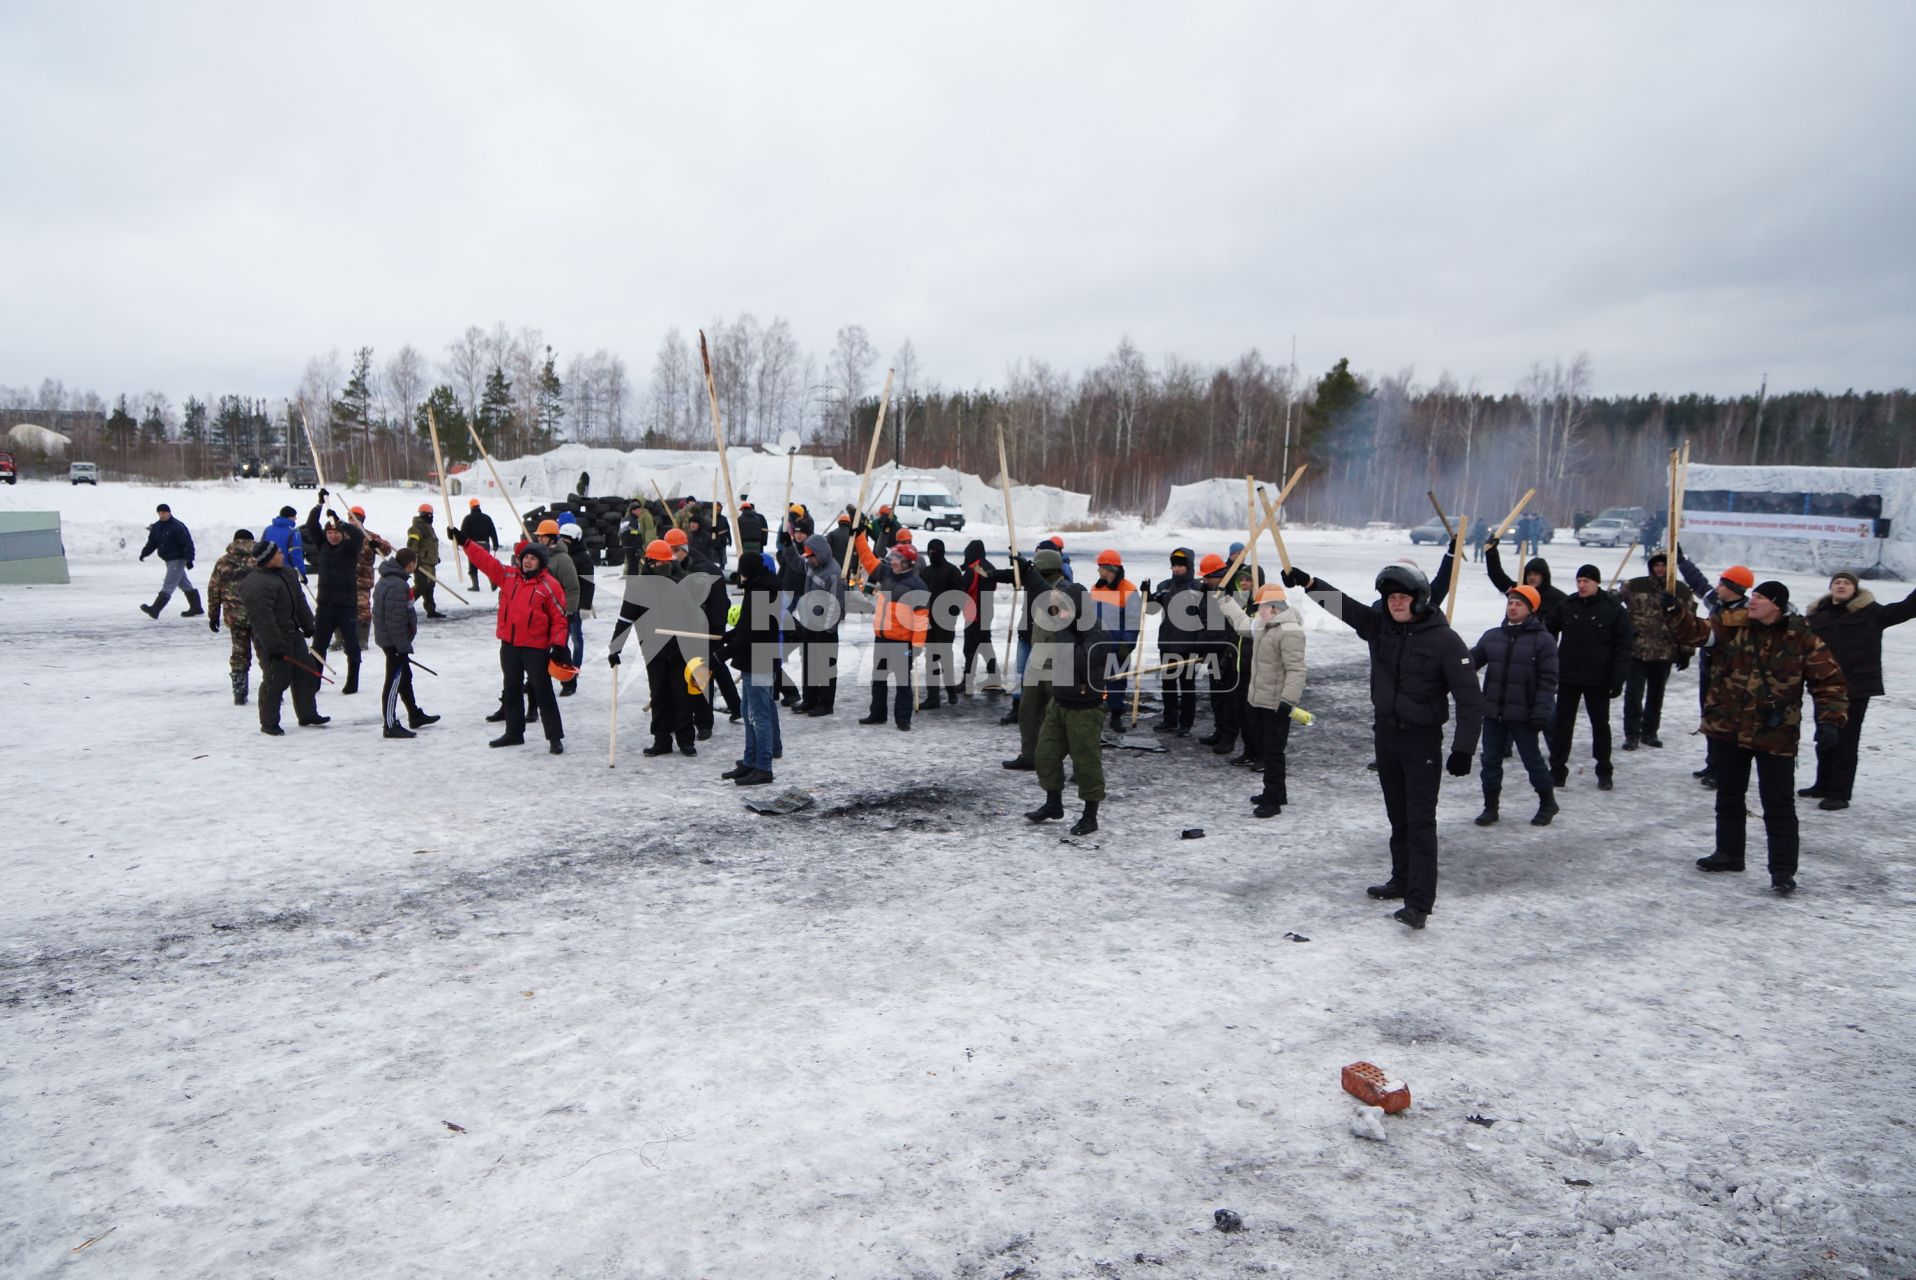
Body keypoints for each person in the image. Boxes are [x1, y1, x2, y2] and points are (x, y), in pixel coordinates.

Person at [1282, 561, 1483, 930]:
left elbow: (1470, 698)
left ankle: (1419, 903)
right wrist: (1309, 583)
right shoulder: (1381, 628)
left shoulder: (1445, 641)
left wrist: (1463, 748)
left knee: (1420, 821)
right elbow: (1344, 606)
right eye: (1391, 597)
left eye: (1403, 597)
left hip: (1422, 741)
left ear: (1420, 600)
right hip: (1386, 735)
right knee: (1398, 815)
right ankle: (1401, 879)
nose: (1396, 603)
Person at [1666, 579, 1847, 894]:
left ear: (1775, 604)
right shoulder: (1732, 624)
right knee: (1729, 795)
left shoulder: (1801, 636)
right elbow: (1695, 632)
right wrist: (1673, 611)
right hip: (1728, 728)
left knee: (1778, 804)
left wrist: (1830, 720)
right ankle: (1729, 853)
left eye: (1760, 597)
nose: (1752, 601)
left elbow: (1829, 681)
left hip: (1775, 734)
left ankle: (1782, 871)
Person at [449, 526, 569, 754]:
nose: (527, 562)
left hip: (535, 648)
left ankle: (554, 737)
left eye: (533, 558)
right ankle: (514, 733)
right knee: (511, 689)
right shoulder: (508, 576)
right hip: (510, 646)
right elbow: (485, 561)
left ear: (541, 563)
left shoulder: (549, 586)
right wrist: (465, 541)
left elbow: (560, 618)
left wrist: (558, 644)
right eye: (525, 558)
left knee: (543, 692)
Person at [1803, 571, 1916, 811]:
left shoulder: (1872, 613)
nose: (1841, 586)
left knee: (1846, 740)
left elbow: (1907, 608)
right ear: (1830, 587)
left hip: (1856, 687)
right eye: (1837, 582)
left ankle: (1840, 793)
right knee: (1825, 735)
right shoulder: (1816, 616)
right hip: (1822, 685)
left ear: (1855, 589)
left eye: (1846, 583)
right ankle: (1822, 784)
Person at [1023, 548, 1114, 836]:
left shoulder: (1096, 633)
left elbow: (1080, 660)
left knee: (1086, 762)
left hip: (1085, 708)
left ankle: (1090, 815)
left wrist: (1063, 632)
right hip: (1060, 704)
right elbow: (1039, 587)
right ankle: (1053, 804)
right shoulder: (1066, 625)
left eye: (1061, 608)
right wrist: (1027, 570)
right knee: (1045, 755)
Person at [1467, 585, 1560, 827]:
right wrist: (1452, 658)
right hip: (1493, 712)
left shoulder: (1543, 641)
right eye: (1510, 603)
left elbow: (1548, 681)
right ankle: (1490, 807)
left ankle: (1548, 803)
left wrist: (1542, 712)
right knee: (1490, 761)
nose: (1513, 607)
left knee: (1532, 761)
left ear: (1531, 609)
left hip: (1525, 714)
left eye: (1519, 603)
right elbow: (1470, 662)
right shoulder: (1492, 636)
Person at [607, 539, 701, 757]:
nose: (666, 567)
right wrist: (615, 648)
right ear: (650, 563)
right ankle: (662, 740)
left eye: (668, 563)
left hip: (680, 649)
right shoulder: (637, 588)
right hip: (653, 650)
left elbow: (694, 616)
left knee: (681, 695)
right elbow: (624, 619)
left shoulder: (679, 584)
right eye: (661, 563)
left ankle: (686, 739)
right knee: (659, 695)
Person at [1221, 583, 1307, 818]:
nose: (1258, 611)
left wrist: (1288, 701)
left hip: (1277, 704)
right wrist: (1225, 601)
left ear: (1274, 607)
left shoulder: (1290, 631)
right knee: (1268, 749)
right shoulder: (1263, 626)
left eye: (1261, 607)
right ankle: (1276, 792)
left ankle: (1273, 799)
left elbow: (1296, 670)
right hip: (1259, 700)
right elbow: (1241, 625)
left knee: (1273, 752)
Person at [1547, 564, 1633, 791]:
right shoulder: (1567, 605)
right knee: (1562, 726)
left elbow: (1624, 647)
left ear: (1597, 582)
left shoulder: (1613, 609)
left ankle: (1604, 770)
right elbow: (1547, 632)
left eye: (1586, 581)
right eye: (1579, 581)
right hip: (1568, 677)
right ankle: (1557, 770)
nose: (1582, 585)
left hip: (1598, 678)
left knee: (1600, 726)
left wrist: (1618, 678)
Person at [1675, 557, 1753, 790]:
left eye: (1723, 584)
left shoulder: (1749, 614)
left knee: (1728, 723)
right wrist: (1681, 562)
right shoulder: (1717, 604)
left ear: (1735, 589)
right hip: (1709, 671)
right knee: (1710, 718)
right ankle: (1713, 763)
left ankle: (1724, 769)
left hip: (1732, 678)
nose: (1717, 587)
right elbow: (1699, 584)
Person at [236, 540, 326, 735]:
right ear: (267, 559)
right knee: (277, 679)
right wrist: (273, 646)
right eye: (278, 553)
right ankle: (269, 723)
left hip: (294, 634)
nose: (282, 555)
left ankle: (308, 714)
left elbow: (300, 600)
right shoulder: (255, 584)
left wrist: (308, 624)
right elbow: (262, 619)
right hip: (273, 639)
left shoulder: (288, 573)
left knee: (307, 673)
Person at [1616, 550, 1695, 750]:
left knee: (1656, 695)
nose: (1659, 569)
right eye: (1656, 565)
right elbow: (1615, 604)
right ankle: (1632, 734)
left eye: (1664, 565)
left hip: (1664, 651)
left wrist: (1686, 651)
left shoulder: (1682, 591)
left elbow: (1689, 623)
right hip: (1637, 649)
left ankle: (1650, 732)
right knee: (1633, 695)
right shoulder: (1635, 586)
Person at [853, 531, 929, 730]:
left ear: (908, 564)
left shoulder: (917, 586)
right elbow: (867, 558)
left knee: (903, 682)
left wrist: (917, 646)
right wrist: (859, 535)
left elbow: (921, 621)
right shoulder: (886, 573)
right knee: (878, 678)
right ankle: (877, 714)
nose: (893, 561)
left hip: (902, 643)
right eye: (893, 557)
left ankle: (903, 719)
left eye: (897, 558)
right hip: (882, 638)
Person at [721, 551, 784, 785]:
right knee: (749, 713)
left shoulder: (761, 592)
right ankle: (750, 761)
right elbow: (746, 626)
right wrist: (727, 636)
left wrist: (723, 653)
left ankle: (763, 767)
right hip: (754, 657)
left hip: (760, 659)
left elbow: (752, 633)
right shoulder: (758, 588)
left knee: (759, 715)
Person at [670, 525, 740, 731]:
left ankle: (704, 718)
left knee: (704, 668)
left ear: (682, 550)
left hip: (709, 626)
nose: (672, 558)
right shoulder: (692, 563)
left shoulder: (700, 569)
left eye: (673, 552)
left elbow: (709, 604)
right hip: (707, 624)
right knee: (716, 666)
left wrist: (713, 631)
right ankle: (736, 707)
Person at [302, 494, 367, 694]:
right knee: (318, 646)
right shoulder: (322, 546)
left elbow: (358, 535)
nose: (332, 536)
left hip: (346, 605)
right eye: (329, 533)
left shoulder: (349, 548)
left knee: (352, 645)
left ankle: (352, 681)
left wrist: (340, 522)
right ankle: (315, 681)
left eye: (336, 533)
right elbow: (311, 524)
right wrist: (319, 504)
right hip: (325, 606)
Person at [372, 547, 439, 739]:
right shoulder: (397, 586)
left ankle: (414, 714)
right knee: (393, 682)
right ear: (410, 564)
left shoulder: (391, 580)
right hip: (394, 642)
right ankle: (390, 725)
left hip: (392, 640)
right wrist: (402, 646)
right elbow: (395, 621)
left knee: (405, 678)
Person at [1145, 548, 1204, 736]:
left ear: (1189, 566)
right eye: (1174, 565)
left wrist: (1201, 644)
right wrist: (1147, 595)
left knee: (1187, 686)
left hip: (1189, 644)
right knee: (1168, 684)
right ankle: (1169, 720)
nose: (1177, 569)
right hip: (1167, 642)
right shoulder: (1165, 586)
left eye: (1181, 565)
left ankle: (1186, 723)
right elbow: (1151, 610)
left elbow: (1205, 617)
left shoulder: (1197, 588)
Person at [1196, 553, 1246, 756]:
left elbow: (1236, 625)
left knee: (1229, 698)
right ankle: (1219, 730)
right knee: (1216, 696)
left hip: (1228, 653)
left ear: (1219, 574)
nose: (1205, 580)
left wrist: (1229, 651)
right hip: (1212, 651)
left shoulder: (1232, 592)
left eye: (1208, 577)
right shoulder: (1207, 592)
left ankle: (1229, 737)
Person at [1088, 550, 1140, 733]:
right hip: (1097, 644)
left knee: (1117, 683)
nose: (1098, 571)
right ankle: (1097, 714)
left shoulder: (1129, 590)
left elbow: (1133, 622)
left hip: (1118, 645)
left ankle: (1116, 717)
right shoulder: (1096, 588)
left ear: (1109, 568)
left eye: (1100, 567)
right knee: (1095, 681)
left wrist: (1127, 644)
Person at [794, 532, 844, 715]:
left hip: (826, 629)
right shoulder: (811, 566)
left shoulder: (834, 572)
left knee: (825, 667)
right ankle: (809, 699)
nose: (809, 561)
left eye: (811, 557)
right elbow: (796, 566)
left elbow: (837, 603)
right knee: (809, 664)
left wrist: (829, 628)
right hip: (810, 624)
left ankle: (825, 704)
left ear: (819, 553)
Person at [206, 528, 257, 705]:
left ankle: (239, 692)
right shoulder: (260, 559)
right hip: (260, 614)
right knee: (267, 654)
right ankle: (273, 690)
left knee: (239, 654)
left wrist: (213, 615)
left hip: (235, 616)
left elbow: (214, 590)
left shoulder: (223, 562)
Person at [917, 538, 966, 710]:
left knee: (945, 657)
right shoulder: (926, 572)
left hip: (945, 623)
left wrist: (952, 611)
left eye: (935, 551)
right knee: (931, 657)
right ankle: (933, 697)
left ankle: (951, 690)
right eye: (929, 551)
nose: (932, 554)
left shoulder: (952, 571)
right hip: (929, 622)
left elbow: (960, 594)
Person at [1485, 537, 1566, 634]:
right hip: (1515, 642)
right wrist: (1491, 553)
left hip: (1542, 646)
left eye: (1536, 574)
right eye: (1529, 574)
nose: (1532, 578)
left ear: (1544, 576)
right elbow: (1496, 575)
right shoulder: (1518, 591)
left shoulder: (1558, 598)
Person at [137, 503, 201, 619]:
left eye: (164, 513)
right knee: (184, 583)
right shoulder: (157, 527)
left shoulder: (177, 526)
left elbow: (187, 543)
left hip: (177, 559)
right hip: (168, 559)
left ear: (169, 513)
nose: (162, 515)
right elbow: (152, 543)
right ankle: (196, 607)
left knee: (169, 584)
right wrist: (144, 553)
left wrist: (189, 559)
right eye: (160, 513)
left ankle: (155, 609)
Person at [958, 539, 1003, 695]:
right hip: (986, 612)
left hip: (974, 614)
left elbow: (964, 589)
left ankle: (967, 681)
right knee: (985, 645)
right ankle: (994, 677)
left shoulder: (974, 569)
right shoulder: (989, 567)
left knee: (970, 649)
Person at [347, 506, 393, 650]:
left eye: (357, 519)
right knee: (341, 610)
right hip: (343, 580)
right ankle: (341, 638)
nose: (354, 522)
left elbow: (387, 550)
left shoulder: (369, 537)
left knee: (363, 611)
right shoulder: (341, 534)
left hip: (362, 580)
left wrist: (377, 545)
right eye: (351, 518)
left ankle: (362, 639)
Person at [558, 520, 595, 693]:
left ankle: (575, 668)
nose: (564, 541)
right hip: (559, 604)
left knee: (575, 638)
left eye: (567, 539)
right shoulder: (560, 556)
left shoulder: (583, 558)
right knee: (560, 640)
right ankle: (561, 669)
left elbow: (588, 584)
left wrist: (585, 606)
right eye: (562, 538)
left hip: (576, 604)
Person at [407, 505, 444, 618]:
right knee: (421, 586)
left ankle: (431, 610)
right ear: (423, 515)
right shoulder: (417, 528)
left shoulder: (428, 527)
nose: (431, 517)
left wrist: (435, 557)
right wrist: (414, 561)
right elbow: (412, 545)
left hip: (430, 563)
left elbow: (429, 544)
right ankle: (404, 606)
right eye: (429, 515)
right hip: (421, 563)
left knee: (430, 587)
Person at [258, 505, 307, 581]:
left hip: (267, 570)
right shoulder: (293, 532)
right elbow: (296, 553)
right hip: (285, 570)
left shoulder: (268, 529)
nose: (295, 519)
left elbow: (260, 548)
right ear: (290, 517)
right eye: (294, 516)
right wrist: (302, 573)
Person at [461, 498, 500, 592]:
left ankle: (475, 586)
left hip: (473, 546)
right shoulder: (487, 518)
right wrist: (495, 544)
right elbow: (493, 532)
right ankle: (493, 583)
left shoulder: (468, 519)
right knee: (486, 565)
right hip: (485, 545)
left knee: (473, 566)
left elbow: (463, 533)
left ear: (470, 507)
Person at [618, 499, 657, 574]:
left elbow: (621, 533)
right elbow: (633, 534)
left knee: (631, 567)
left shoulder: (626, 519)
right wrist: (638, 548)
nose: (640, 512)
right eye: (638, 510)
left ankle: (631, 584)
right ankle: (633, 584)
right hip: (633, 548)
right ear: (633, 511)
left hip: (627, 547)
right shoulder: (633, 521)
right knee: (633, 568)